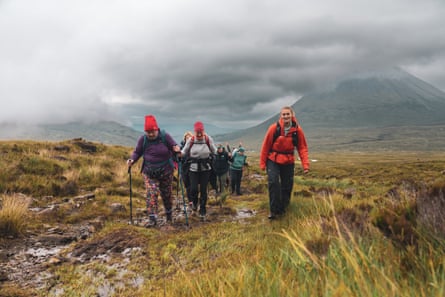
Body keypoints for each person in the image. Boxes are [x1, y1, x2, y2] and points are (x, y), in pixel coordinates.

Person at [127, 115, 180, 226]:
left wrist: (176, 148)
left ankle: (169, 214)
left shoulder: (165, 136)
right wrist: (132, 160)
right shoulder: (143, 139)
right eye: (148, 132)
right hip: (149, 171)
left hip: (166, 171)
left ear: (157, 129)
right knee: (152, 192)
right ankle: (152, 219)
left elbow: (174, 146)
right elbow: (137, 152)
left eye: (152, 131)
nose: (150, 134)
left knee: (167, 194)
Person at [260, 106, 309, 219]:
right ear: (281, 116)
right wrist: (263, 163)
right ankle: (274, 211)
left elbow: (302, 148)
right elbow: (265, 146)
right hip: (273, 159)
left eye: (288, 114)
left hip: (288, 161)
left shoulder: (297, 130)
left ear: (292, 115)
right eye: (284, 114)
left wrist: (305, 165)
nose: (286, 116)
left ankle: (283, 209)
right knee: (273, 183)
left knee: (287, 186)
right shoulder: (274, 128)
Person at [181, 121, 217, 220]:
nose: (200, 134)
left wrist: (221, 153)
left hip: (206, 169)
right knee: (193, 189)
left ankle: (203, 208)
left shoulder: (208, 139)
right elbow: (184, 151)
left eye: (201, 132)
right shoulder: (191, 140)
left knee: (203, 190)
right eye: (198, 132)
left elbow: (214, 150)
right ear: (195, 132)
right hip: (193, 169)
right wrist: (179, 153)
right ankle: (195, 203)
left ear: (204, 131)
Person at [179, 131, 193, 205]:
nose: (188, 139)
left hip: (192, 167)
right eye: (186, 138)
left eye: (189, 137)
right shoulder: (182, 147)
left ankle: (193, 199)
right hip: (184, 168)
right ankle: (190, 200)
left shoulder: (194, 147)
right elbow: (179, 157)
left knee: (192, 184)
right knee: (187, 184)